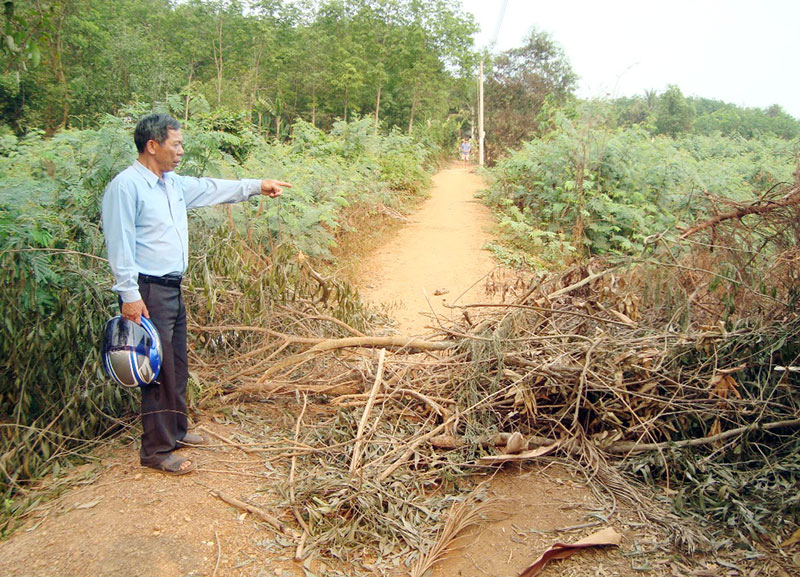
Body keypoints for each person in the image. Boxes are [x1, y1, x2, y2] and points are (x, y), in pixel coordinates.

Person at [102, 113, 291, 475]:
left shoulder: (172, 184)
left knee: (177, 364)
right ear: (152, 146)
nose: (181, 151)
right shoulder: (127, 187)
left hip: (171, 287)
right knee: (155, 369)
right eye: (176, 144)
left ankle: (177, 430)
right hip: (146, 290)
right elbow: (120, 243)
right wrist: (129, 294)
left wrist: (257, 185)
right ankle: (156, 450)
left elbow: (211, 188)